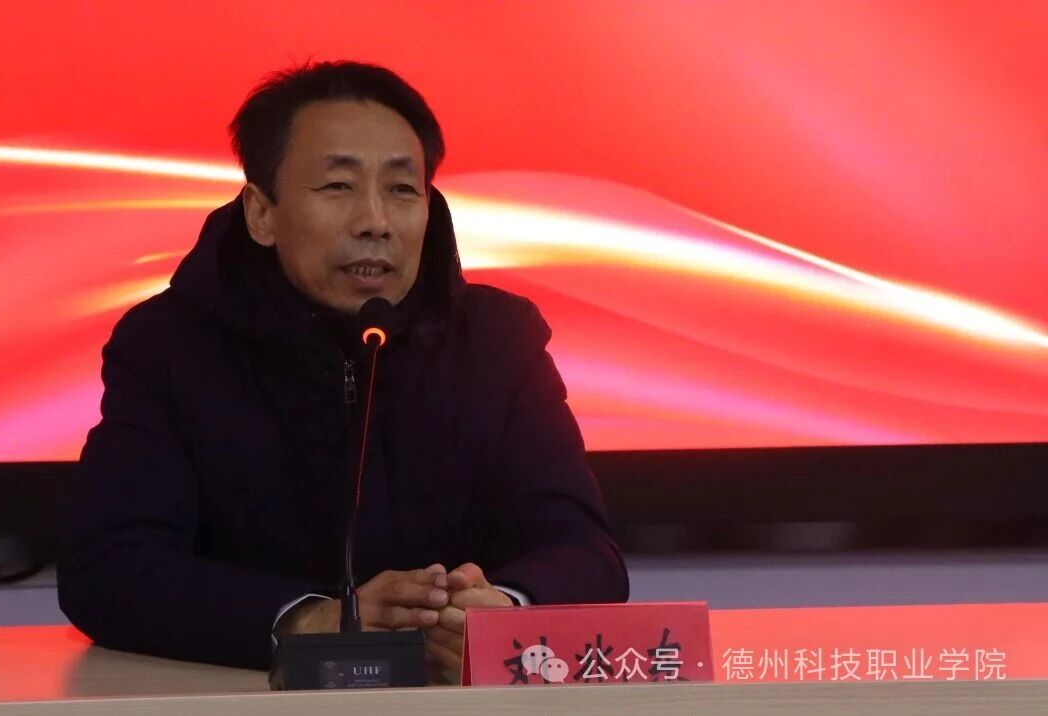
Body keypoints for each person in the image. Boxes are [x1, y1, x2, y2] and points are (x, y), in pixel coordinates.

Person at [57, 61, 628, 677]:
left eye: (402, 190)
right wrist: (310, 622)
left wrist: (500, 612)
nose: (375, 222)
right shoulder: (169, 344)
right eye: (338, 187)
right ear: (261, 213)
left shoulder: (498, 339)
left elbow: (585, 553)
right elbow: (110, 569)